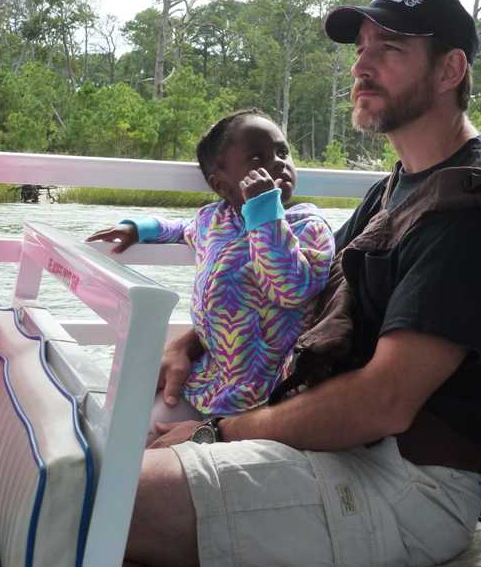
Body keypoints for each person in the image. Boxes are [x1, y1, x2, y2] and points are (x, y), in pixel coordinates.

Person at [115, 0, 481, 567]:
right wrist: (192, 340)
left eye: (392, 48)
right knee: (93, 468)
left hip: (406, 492)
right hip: (344, 450)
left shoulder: (473, 216)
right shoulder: (399, 188)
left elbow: (385, 401)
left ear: (449, 70)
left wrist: (217, 432)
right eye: (361, 47)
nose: (362, 64)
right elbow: (312, 295)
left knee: (97, 502)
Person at [87, 109, 335, 432]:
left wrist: (264, 213)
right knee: (122, 426)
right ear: (221, 184)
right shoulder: (214, 221)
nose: (277, 163)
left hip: (263, 389)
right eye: (258, 157)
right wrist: (141, 228)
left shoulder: (307, 226)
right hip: (212, 376)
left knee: (141, 443)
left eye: (282, 152)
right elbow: (181, 229)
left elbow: (289, 288)